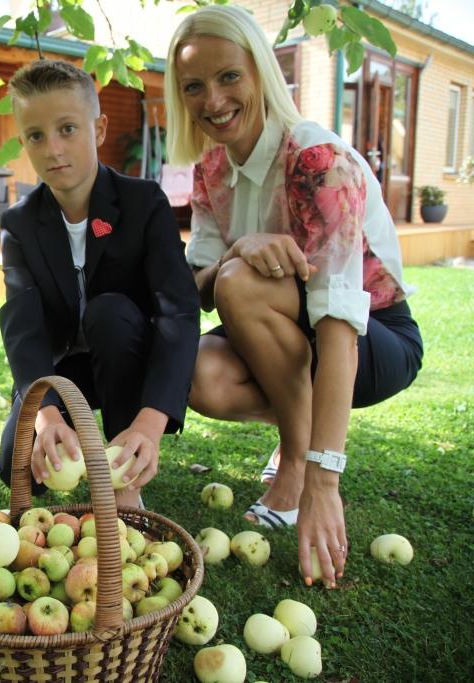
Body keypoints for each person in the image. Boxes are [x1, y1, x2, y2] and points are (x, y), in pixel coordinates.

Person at [164, 6, 422, 587]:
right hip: (275, 327)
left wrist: (322, 481)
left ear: (260, 72)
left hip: (374, 339)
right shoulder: (210, 167)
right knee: (197, 373)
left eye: (230, 76)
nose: (213, 100)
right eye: (194, 86)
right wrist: (238, 250)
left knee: (242, 284)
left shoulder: (317, 162)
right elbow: (198, 287)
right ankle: (296, 445)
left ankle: (296, 467)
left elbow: (337, 325)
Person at [0, 59, 201, 509]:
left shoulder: (143, 202)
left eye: (67, 129)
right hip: (65, 368)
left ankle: (127, 486)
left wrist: (150, 422)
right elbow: (23, 327)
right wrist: (45, 415)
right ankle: (62, 432)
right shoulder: (19, 224)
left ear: (99, 128)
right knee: (20, 466)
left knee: (109, 311)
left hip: (127, 349)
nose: (53, 149)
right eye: (36, 135)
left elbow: (179, 311)